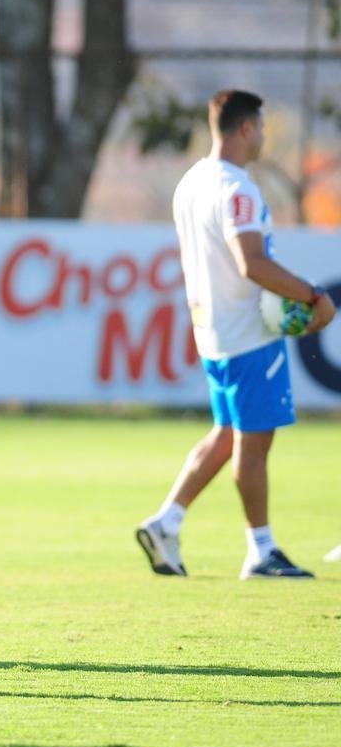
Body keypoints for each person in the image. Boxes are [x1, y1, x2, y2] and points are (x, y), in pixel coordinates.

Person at [135, 89, 335, 581]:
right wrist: (313, 296)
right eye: (261, 127)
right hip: (248, 332)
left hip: (211, 329)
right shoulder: (237, 188)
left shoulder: (191, 182)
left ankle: (167, 521)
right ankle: (261, 550)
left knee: (228, 433)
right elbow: (252, 263)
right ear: (246, 128)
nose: (264, 136)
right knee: (253, 442)